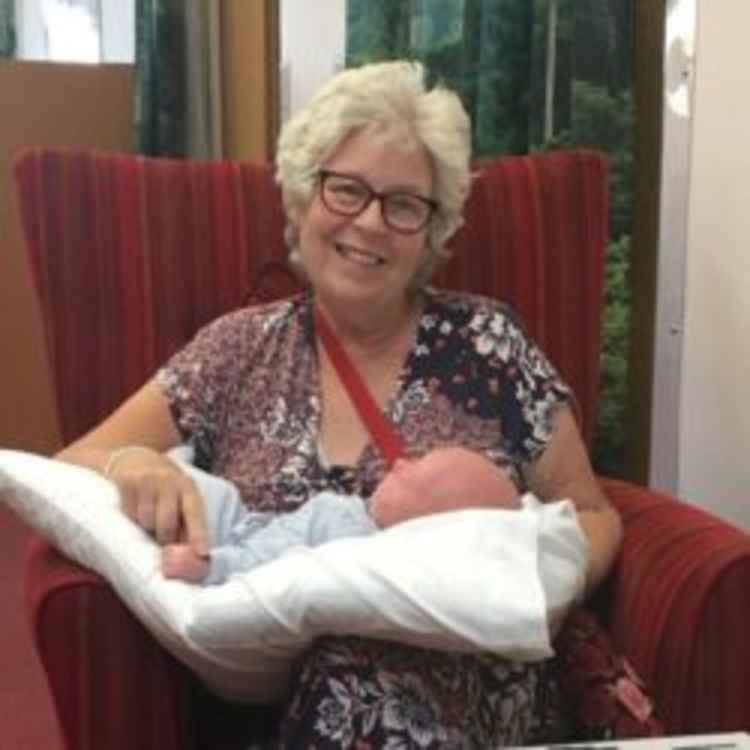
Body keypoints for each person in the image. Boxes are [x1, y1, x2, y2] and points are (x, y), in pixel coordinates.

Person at [57, 60, 623, 747]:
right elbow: (73, 462)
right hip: (275, 707)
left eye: (404, 204)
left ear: (430, 232)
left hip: (471, 696)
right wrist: (134, 467)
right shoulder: (236, 351)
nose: (372, 223)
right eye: (347, 189)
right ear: (303, 199)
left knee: (369, 676)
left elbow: (591, 513)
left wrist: (545, 583)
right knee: (348, 675)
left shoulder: (489, 344)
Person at [161, 445, 521, 583]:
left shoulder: (349, 541)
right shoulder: (356, 521)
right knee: (197, 487)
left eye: (416, 469)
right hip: (253, 527)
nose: (397, 462)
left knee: (207, 496)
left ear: (425, 529)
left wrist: (211, 567)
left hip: (235, 542)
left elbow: (272, 568)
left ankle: (175, 461)